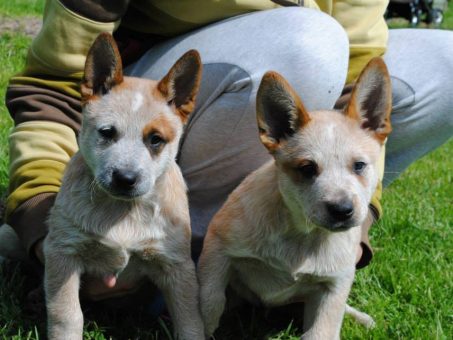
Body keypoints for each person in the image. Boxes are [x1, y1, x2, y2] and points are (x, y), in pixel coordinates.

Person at [2, 0, 453, 302]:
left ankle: (298, 233)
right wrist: (41, 217)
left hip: (297, 79)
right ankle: (185, 254)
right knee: (311, 41)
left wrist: (355, 210)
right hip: (152, 88)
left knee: (446, 59)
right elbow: (53, 85)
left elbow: (358, 82)